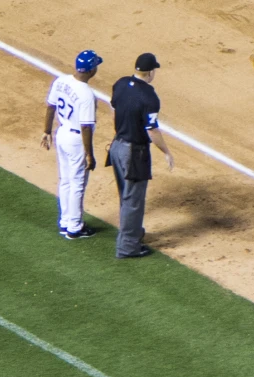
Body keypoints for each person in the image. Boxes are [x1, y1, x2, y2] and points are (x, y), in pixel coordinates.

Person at [107, 53, 174, 259]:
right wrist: (166, 152)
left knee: (126, 196)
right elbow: (152, 130)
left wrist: (120, 132)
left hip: (117, 146)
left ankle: (133, 233)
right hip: (133, 153)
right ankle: (127, 247)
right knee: (133, 200)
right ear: (150, 72)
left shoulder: (120, 83)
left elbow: (114, 110)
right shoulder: (149, 96)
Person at [42, 49, 102, 239]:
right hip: (76, 140)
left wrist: (46, 131)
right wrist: (89, 153)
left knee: (66, 180)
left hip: (61, 134)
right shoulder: (86, 95)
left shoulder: (61, 81)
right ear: (91, 70)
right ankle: (75, 227)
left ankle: (65, 221)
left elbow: (51, 106)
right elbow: (85, 127)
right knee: (77, 184)